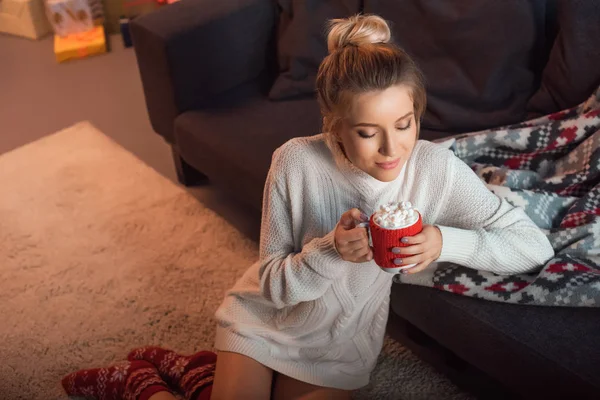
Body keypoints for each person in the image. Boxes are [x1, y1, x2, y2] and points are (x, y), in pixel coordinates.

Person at [61, 14, 555, 400]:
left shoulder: (436, 170)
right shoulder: (295, 162)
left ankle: (192, 373)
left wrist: (445, 241)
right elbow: (273, 283)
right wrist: (330, 251)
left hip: (342, 340)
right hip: (264, 320)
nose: (391, 149)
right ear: (334, 125)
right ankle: (141, 381)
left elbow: (531, 245)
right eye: (367, 132)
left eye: (405, 123)